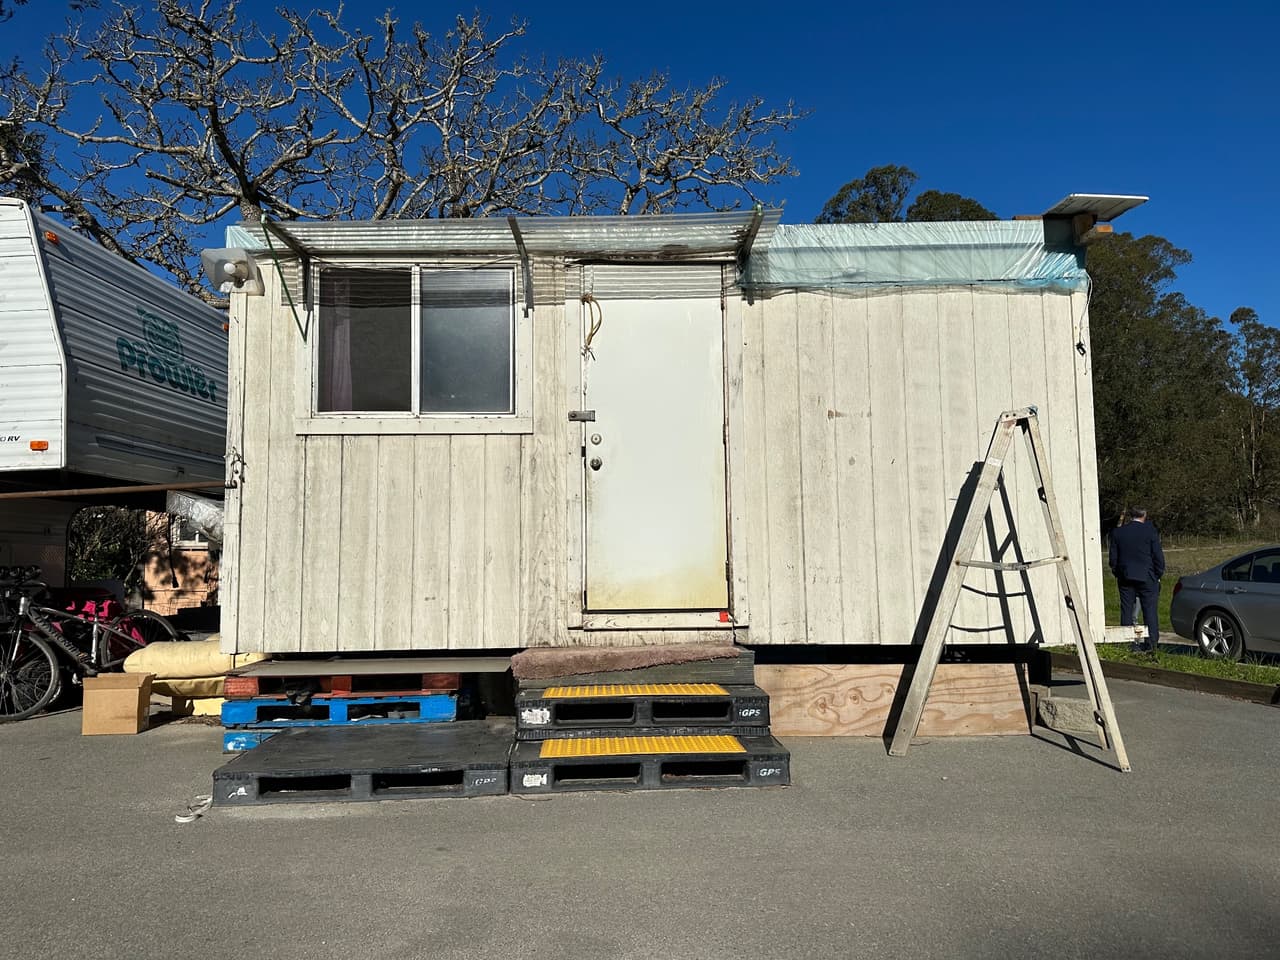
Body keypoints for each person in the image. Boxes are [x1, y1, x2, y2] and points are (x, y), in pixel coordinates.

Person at [1108, 506, 1165, 653]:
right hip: (1147, 576)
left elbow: (1113, 558)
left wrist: (1117, 572)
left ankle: (1129, 643)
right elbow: (1158, 556)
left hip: (1125, 576)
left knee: (1126, 610)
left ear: (1130, 515)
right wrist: (1157, 574)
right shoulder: (1150, 531)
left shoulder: (1118, 532)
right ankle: (1151, 643)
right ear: (1144, 515)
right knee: (1149, 610)